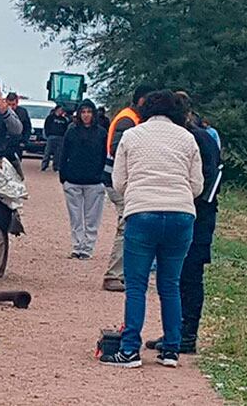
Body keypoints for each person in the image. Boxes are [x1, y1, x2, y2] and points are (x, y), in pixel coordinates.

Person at [100, 90, 203, 369]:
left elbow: (119, 181)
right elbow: (197, 185)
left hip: (142, 212)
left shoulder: (133, 136)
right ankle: (171, 350)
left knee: (136, 286)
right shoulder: (187, 138)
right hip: (181, 214)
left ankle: (130, 350)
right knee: (170, 285)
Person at [145, 98, 222, 355]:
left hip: (198, 217)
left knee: (189, 275)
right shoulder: (179, 138)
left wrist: (191, 204)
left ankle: (187, 334)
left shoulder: (200, 139)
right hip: (180, 213)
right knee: (173, 278)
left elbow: (212, 181)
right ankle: (174, 333)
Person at [101, 84, 154, 292]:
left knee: (130, 224)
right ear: (141, 100)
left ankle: (124, 273)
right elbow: (117, 149)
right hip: (119, 180)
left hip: (120, 178)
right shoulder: (128, 120)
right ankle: (114, 275)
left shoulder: (131, 118)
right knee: (127, 224)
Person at [58, 100, 107, 260]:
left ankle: (88, 247)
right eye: (83, 112)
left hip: (94, 181)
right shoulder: (71, 132)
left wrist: (103, 177)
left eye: (89, 112)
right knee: (76, 216)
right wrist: (63, 176)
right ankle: (77, 245)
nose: (86, 115)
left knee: (92, 217)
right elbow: (64, 154)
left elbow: (104, 156)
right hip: (73, 179)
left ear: (93, 114)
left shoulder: (101, 133)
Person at [5, 92, 31, 179]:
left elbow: (27, 127)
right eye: (9, 104)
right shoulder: (2, 111)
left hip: (17, 143)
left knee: (16, 164)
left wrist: (24, 141)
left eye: (13, 104)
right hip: (5, 144)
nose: (11, 107)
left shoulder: (22, 112)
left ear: (17, 102)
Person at [41, 105, 69, 171]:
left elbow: (65, 128)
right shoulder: (50, 118)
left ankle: (56, 167)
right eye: (60, 110)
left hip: (60, 137)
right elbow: (46, 126)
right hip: (51, 136)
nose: (61, 112)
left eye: (62, 110)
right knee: (47, 152)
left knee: (58, 153)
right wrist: (48, 134)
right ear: (56, 110)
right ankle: (44, 166)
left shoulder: (64, 120)